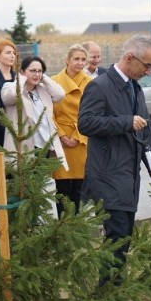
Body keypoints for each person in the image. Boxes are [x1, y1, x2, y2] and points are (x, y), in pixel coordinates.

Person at [78, 35, 151, 269]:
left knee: (124, 237)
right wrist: (125, 122)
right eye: (146, 65)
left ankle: (113, 293)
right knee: (116, 238)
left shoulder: (135, 89)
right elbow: (85, 123)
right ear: (129, 58)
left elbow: (146, 134)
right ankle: (109, 292)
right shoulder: (100, 86)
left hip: (129, 176)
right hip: (108, 176)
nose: (148, 72)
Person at [1, 56, 68, 217]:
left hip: (44, 147)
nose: (36, 74)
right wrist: (22, 79)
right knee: (25, 188)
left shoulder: (43, 90)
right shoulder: (11, 86)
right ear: (22, 71)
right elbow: (9, 97)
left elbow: (60, 95)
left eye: (39, 71)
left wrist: (44, 78)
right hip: (23, 149)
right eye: (32, 71)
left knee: (44, 188)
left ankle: (44, 220)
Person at [51, 44, 91, 215]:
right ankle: (62, 226)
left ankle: (76, 227)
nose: (80, 63)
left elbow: (92, 113)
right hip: (61, 142)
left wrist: (77, 135)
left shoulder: (91, 83)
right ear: (67, 60)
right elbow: (48, 113)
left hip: (82, 139)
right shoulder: (53, 82)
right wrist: (60, 135)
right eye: (76, 59)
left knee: (79, 189)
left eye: (83, 59)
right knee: (62, 188)